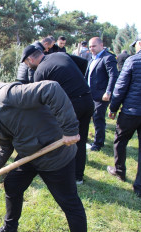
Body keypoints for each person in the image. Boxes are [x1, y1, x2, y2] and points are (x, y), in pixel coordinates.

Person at [0, 70, 87, 232]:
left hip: (54, 154)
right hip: (29, 154)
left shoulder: (8, 95)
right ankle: (9, 229)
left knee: (69, 203)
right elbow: (5, 146)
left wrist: (70, 129)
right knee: (12, 184)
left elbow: (51, 88)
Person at [22, 45, 94, 184]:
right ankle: (77, 177)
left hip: (72, 105)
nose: (28, 66)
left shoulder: (40, 72)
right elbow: (84, 63)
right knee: (80, 138)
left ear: (30, 59)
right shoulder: (60, 55)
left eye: (26, 63)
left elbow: (39, 101)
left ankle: (61, 175)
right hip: (87, 99)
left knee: (62, 140)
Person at [107, 31, 141, 198]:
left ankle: (119, 170)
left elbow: (120, 87)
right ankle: (140, 187)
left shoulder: (133, 60)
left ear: (140, 44)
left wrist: (113, 108)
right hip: (135, 110)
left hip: (131, 111)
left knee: (120, 141)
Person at [85, 37, 119, 151]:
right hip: (90, 94)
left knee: (98, 118)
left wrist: (108, 92)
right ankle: (86, 138)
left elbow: (113, 76)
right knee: (87, 116)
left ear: (101, 45)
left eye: (93, 46)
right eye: (90, 46)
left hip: (101, 95)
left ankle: (98, 144)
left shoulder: (108, 57)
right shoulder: (92, 58)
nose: (91, 48)